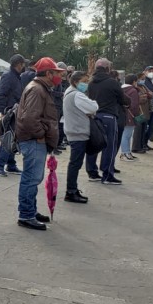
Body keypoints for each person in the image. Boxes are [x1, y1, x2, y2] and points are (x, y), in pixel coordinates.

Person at [14, 57, 62, 230]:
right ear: (48, 73)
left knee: (33, 178)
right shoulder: (37, 90)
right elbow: (29, 119)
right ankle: (26, 214)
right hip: (34, 140)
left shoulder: (40, 88)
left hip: (36, 140)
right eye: (56, 73)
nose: (59, 77)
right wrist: (41, 134)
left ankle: (30, 211)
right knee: (31, 178)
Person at [85, 58, 128, 185]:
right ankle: (107, 174)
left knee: (93, 144)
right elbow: (122, 99)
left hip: (93, 116)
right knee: (109, 146)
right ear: (108, 68)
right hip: (109, 116)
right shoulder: (112, 82)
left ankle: (92, 172)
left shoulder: (90, 82)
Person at [62, 71, 98, 204]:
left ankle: (73, 189)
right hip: (77, 132)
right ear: (76, 81)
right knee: (75, 163)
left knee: (75, 163)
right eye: (84, 81)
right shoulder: (77, 95)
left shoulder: (69, 92)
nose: (86, 84)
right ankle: (71, 191)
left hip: (74, 130)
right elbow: (93, 107)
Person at [0, 54, 26, 176]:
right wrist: (4, 111)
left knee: (14, 139)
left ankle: (11, 164)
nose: (24, 66)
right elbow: (0, 96)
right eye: (23, 64)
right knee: (8, 139)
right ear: (19, 64)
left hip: (16, 112)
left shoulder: (17, 77)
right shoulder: (9, 76)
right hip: (10, 112)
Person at [118, 74, 141, 162]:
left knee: (125, 134)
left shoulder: (121, 88)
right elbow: (134, 105)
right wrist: (136, 115)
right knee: (126, 135)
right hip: (130, 115)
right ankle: (125, 153)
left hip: (122, 113)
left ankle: (127, 152)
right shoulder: (133, 90)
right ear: (134, 81)